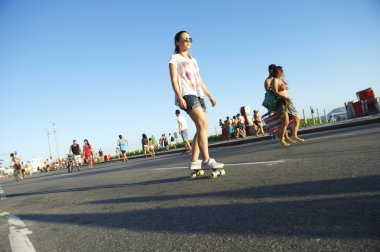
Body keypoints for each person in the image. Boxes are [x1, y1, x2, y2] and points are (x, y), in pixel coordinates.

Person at [169, 30, 224, 170]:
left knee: (201, 127)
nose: (188, 41)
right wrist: (180, 97)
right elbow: (174, 80)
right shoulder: (175, 58)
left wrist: (210, 95)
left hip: (198, 94)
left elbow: (199, 80)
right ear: (177, 42)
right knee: (203, 124)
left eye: (190, 39)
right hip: (187, 94)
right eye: (185, 39)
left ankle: (194, 162)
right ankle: (206, 159)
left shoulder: (193, 60)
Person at [271, 66, 304, 146]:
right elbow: (275, 92)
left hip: (288, 101)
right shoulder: (275, 80)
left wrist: (285, 86)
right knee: (285, 122)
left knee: (297, 119)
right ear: (278, 72)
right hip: (281, 102)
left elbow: (287, 86)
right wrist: (285, 96)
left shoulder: (281, 79)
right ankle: (282, 140)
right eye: (281, 71)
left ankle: (294, 136)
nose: (283, 72)